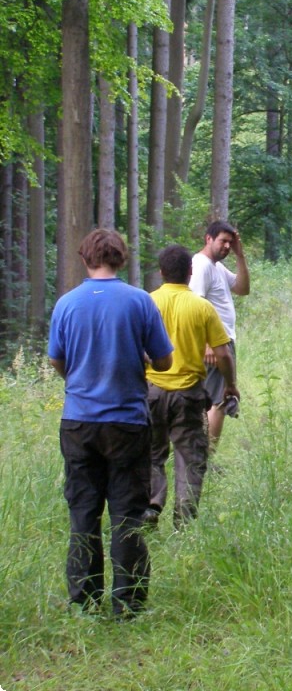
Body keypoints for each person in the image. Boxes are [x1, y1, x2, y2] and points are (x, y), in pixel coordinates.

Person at [48, 229, 174, 618]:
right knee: (127, 512)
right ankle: (127, 603)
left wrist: (80, 376)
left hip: (78, 421)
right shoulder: (140, 301)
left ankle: (83, 601)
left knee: (83, 511)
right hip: (128, 422)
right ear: (120, 258)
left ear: (85, 258)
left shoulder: (66, 304)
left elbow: (56, 360)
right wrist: (140, 361)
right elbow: (165, 361)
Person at [146, 245, 239, 528]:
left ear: (161, 272)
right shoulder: (202, 307)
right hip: (188, 394)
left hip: (151, 391)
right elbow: (223, 354)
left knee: (151, 453)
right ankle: (184, 519)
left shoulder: (147, 303)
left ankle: (151, 505)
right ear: (189, 272)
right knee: (190, 456)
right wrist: (230, 385)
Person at [189, 220, 249, 453]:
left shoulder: (216, 267)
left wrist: (240, 256)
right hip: (215, 345)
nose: (226, 246)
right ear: (208, 239)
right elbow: (195, 305)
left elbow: (243, 289)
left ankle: (203, 455)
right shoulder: (201, 264)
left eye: (230, 243)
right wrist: (206, 343)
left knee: (217, 400)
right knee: (219, 401)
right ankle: (206, 458)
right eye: (223, 241)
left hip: (222, 341)